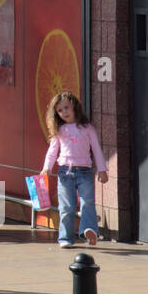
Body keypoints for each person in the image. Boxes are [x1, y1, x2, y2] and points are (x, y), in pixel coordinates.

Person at [41, 92, 108, 249]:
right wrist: (46, 167)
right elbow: (52, 151)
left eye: (66, 108)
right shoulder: (60, 130)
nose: (64, 112)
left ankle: (89, 230)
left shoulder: (87, 128)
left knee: (88, 203)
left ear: (75, 107)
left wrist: (102, 169)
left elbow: (97, 150)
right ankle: (65, 238)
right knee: (66, 207)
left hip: (85, 172)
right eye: (60, 110)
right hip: (65, 173)